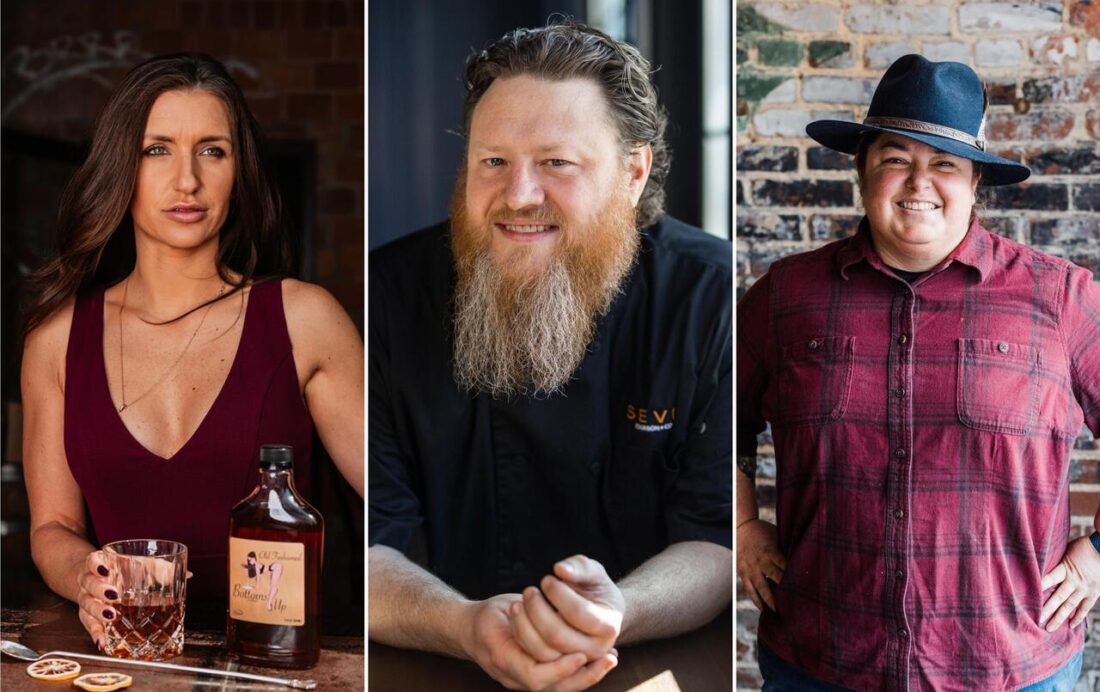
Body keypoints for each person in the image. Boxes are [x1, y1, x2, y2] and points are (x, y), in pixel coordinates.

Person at [368, 20, 732, 691]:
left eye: (556, 162)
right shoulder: (388, 295)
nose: (519, 195)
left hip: (637, 662)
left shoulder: (709, 296)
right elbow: (367, 544)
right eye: (493, 161)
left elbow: (715, 536)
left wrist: (618, 609)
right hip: (437, 659)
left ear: (634, 171)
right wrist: (464, 624)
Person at [737, 54, 1100, 690]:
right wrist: (740, 525)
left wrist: (1098, 557)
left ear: (975, 181)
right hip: (822, 661)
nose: (918, 182)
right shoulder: (784, 296)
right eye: (895, 158)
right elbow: (712, 428)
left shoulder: (1062, 299)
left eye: (944, 164)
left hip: (1009, 666)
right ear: (861, 169)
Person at [20, 53, 364, 652]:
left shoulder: (305, 319)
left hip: (276, 658)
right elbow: (54, 526)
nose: (188, 181)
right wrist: (85, 578)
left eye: (213, 150)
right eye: (157, 150)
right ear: (120, 167)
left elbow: (395, 497)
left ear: (240, 170)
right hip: (129, 660)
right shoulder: (55, 339)